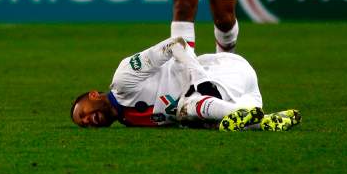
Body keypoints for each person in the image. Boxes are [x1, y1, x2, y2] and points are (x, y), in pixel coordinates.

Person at [71, 36, 300, 131]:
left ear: (93, 95)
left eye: (82, 113)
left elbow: (175, 44)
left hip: (224, 72)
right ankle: (268, 120)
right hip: (240, 95)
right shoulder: (129, 120)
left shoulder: (123, 79)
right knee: (210, 123)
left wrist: (201, 81)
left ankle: (246, 113)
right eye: (83, 124)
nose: (86, 121)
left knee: (187, 106)